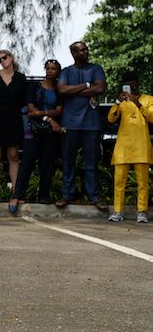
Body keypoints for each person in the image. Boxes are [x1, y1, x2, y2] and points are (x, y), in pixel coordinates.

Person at [55, 41, 108, 211]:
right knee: (68, 161)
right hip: (70, 122)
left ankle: (94, 196)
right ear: (74, 53)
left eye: (86, 49)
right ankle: (67, 195)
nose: (86, 52)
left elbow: (100, 89)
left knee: (91, 162)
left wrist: (75, 90)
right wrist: (86, 86)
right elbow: (62, 91)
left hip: (91, 123)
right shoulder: (66, 71)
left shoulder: (96, 68)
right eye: (82, 50)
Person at [8, 60, 64, 213]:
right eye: (48, 68)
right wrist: (49, 118)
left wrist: (43, 113)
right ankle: (17, 195)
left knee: (47, 164)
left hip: (50, 132)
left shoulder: (59, 89)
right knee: (27, 162)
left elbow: (59, 110)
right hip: (33, 130)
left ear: (58, 72)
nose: (51, 71)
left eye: (54, 69)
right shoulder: (34, 86)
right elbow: (31, 108)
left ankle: (44, 196)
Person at [106, 72, 153, 223]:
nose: (131, 87)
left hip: (142, 146)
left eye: (133, 84)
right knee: (119, 182)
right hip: (123, 147)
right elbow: (111, 118)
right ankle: (118, 212)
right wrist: (118, 102)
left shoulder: (149, 99)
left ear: (137, 83)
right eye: (127, 84)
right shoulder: (122, 101)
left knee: (142, 183)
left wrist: (138, 104)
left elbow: (152, 117)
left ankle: (142, 212)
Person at [0, 49, 27, 202]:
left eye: (4, 57)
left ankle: (15, 192)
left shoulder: (21, 78)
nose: (2, 61)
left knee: (13, 155)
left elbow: (24, 100)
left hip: (13, 117)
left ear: (11, 57)